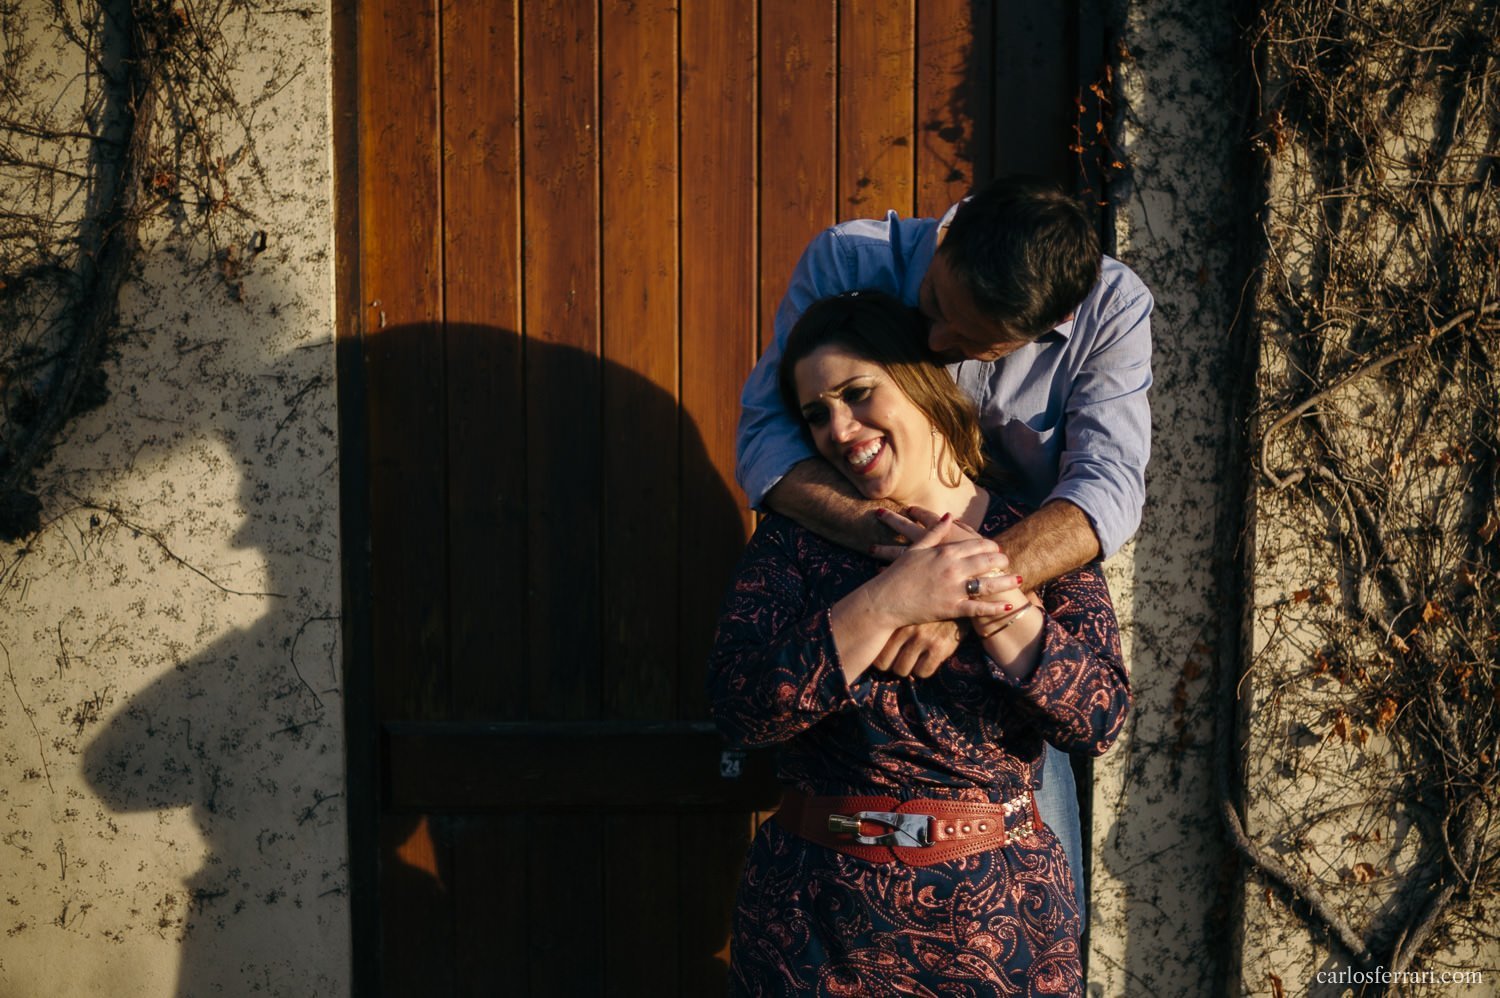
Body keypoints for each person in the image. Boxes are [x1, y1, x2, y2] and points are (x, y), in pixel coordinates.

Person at [734, 175, 1153, 909]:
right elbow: (769, 436)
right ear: (945, 240)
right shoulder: (847, 260)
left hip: (1009, 649)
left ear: (1044, 329)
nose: (931, 344)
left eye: (968, 345)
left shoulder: (1111, 312)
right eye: (931, 308)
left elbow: (1105, 489)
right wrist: (893, 569)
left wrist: (958, 591)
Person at [708, 291, 1130, 994]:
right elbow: (741, 708)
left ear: (922, 383)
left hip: (1001, 929)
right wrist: (885, 602)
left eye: (857, 393)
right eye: (817, 413)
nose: (838, 428)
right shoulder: (792, 544)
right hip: (812, 927)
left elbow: (1099, 716)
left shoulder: (1041, 536)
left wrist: (984, 597)